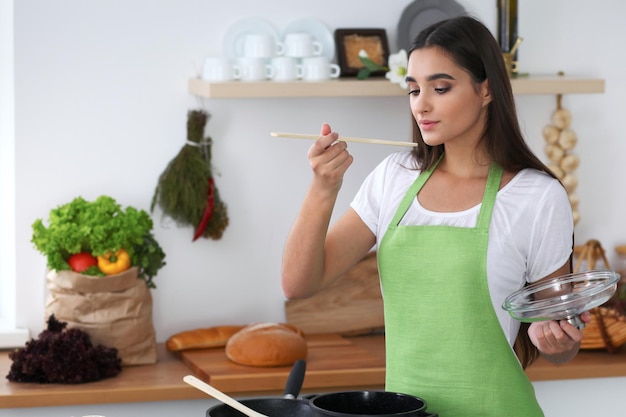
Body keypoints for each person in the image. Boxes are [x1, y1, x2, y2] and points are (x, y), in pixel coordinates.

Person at [281, 15, 588, 417]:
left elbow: (558, 341)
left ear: (487, 90)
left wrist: (560, 343)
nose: (421, 104)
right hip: (404, 412)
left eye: (440, 88)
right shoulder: (394, 177)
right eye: (413, 89)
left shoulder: (536, 196)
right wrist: (323, 188)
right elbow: (298, 283)